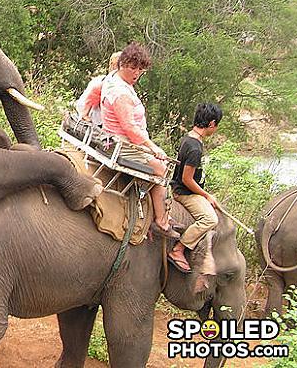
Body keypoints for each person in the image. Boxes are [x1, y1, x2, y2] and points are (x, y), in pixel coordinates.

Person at [100, 42, 180, 239]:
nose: (136, 73)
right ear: (121, 64)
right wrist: (153, 147)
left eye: (140, 69)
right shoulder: (120, 92)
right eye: (132, 67)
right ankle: (161, 220)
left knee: (159, 162)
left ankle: (150, 204)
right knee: (162, 169)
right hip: (123, 145)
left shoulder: (113, 80)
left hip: (118, 139)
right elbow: (130, 128)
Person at [168, 103, 223, 273]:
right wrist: (207, 195)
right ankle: (178, 249)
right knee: (210, 219)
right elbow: (186, 179)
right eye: (217, 125)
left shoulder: (190, 139)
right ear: (212, 123)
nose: (216, 129)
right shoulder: (194, 148)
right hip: (185, 193)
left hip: (191, 191)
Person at [75, 51, 121, 125]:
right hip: (90, 118)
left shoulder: (116, 83)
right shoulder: (105, 81)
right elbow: (96, 91)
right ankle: (85, 113)